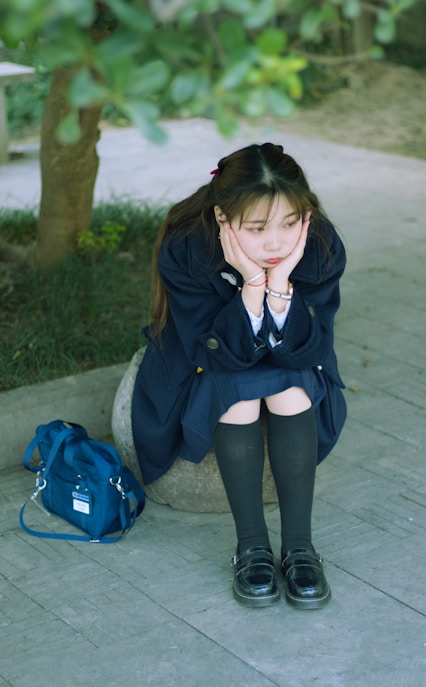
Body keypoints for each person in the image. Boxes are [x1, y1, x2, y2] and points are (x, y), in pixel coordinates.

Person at [131, 142, 346, 610]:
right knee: (239, 393)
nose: (276, 243)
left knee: (290, 390)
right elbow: (214, 351)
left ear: (305, 214)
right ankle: (251, 546)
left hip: (289, 357)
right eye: (257, 227)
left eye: (290, 223)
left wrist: (281, 285)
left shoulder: (319, 246)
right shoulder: (189, 244)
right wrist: (251, 286)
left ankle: (300, 548)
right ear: (223, 219)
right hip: (204, 360)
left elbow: (312, 347)